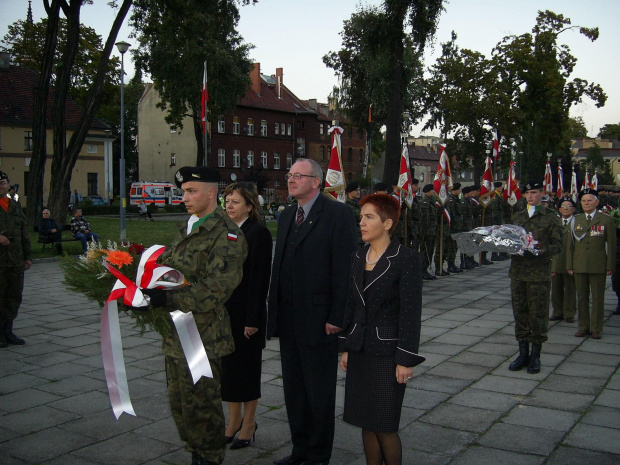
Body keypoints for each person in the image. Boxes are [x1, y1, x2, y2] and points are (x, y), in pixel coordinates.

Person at [151, 166, 247, 465]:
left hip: (203, 337)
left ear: (211, 193)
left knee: (202, 407)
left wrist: (167, 297)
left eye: (191, 191)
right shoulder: (190, 225)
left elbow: (217, 288)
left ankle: (208, 458)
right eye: (183, 192)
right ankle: (196, 452)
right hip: (176, 333)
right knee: (180, 404)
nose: (185, 197)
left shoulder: (227, 234)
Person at [267, 158, 357, 465]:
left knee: (318, 391)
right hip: (288, 318)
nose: (290, 180)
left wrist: (337, 316)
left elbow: (344, 269)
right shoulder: (287, 214)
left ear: (316, 182)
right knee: (294, 389)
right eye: (289, 175)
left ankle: (318, 455)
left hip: (320, 321)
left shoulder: (337, 214)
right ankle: (300, 449)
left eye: (298, 176)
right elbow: (280, 265)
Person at [338, 194, 424, 465]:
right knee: (366, 420)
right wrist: (345, 346)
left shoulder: (406, 259)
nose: (361, 222)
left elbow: (410, 313)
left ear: (387, 223)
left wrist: (405, 359)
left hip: (388, 355)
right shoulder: (357, 255)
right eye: (361, 216)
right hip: (360, 350)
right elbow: (350, 305)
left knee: (385, 425)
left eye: (369, 217)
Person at [221, 182, 272, 450]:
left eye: (236, 201)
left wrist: (253, 320)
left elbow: (259, 280)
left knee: (247, 372)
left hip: (247, 316)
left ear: (250, 207)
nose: (229, 205)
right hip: (225, 314)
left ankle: (249, 423)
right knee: (228, 371)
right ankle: (233, 421)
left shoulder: (258, 234)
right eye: (227, 200)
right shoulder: (224, 231)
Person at [508, 181, 562, 374]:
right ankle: (522, 353)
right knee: (520, 312)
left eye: (534, 192)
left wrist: (539, 252)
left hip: (538, 274)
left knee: (538, 314)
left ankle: (536, 355)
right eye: (527, 193)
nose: (531, 196)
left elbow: (557, 244)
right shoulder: (518, 216)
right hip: (519, 272)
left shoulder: (551, 217)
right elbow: (511, 241)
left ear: (541, 193)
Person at [567, 189, 616, 339]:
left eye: (589, 200)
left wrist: (610, 265)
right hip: (579, 264)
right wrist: (569, 264)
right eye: (583, 201)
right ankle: (583, 326)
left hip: (598, 265)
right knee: (581, 297)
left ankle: (596, 328)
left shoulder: (606, 220)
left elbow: (612, 245)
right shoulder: (576, 220)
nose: (586, 203)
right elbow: (570, 245)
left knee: (597, 298)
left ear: (596, 202)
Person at [0, 171, 32, 348]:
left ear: (8, 185)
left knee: (14, 296)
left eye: (3, 182)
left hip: (15, 259)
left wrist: (27, 256)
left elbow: (24, 233)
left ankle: (8, 331)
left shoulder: (15, 206)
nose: (1, 185)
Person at [550, 198, 577, 323]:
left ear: (574, 209)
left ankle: (569, 313)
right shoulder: (555, 223)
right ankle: (557, 312)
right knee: (556, 289)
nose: (566, 208)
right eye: (563, 206)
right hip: (556, 260)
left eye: (569, 206)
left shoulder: (577, 223)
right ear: (559, 209)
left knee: (570, 289)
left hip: (571, 260)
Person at [418, 184, 437, 280]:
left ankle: (425, 269)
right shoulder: (425, 202)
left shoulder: (430, 201)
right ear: (428, 191)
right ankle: (422, 270)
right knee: (425, 251)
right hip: (427, 231)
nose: (434, 192)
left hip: (431, 230)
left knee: (430, 251)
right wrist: (424, 232)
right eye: (432, 190)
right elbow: (424, 219)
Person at [345, 182, 363, 247]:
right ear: (349, 192)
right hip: (353, 239)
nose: (358, 192)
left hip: (361, 238)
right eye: (356, 190)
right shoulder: (347, 206)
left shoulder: (359, 204)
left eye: (359, 190)